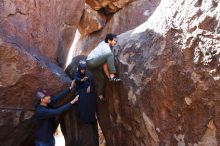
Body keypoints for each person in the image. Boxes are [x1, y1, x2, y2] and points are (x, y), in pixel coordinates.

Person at [86, 33, 121, 100]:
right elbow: (106, 65)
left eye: (116, 41)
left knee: (101, 79)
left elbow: (105, 67)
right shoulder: (106, 48)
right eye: (114, 40)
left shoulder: (103, 43)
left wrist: (109, 77)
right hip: (91, 61)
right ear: (109, 40)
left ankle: (100, 96)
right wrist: (111, 75)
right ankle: (112, 75)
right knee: (110, 55)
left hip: (90, 65)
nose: (115, 42)